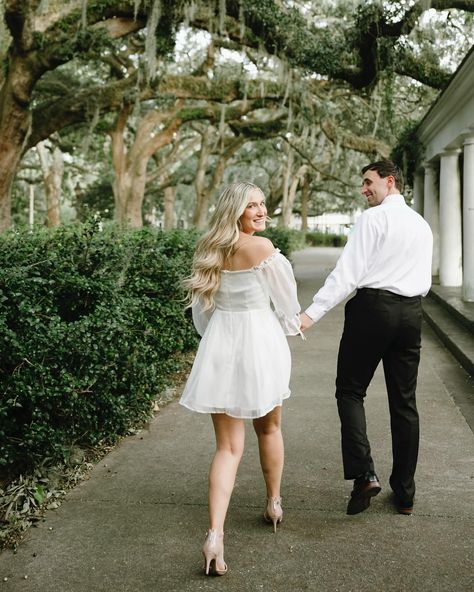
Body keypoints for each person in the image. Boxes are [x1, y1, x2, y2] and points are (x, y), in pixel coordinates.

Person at [180, 181, 303, 576]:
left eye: (263, 203)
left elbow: (202, 314)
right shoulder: (262, 250)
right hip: (259, 347)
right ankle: (273, 502)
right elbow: (287, 306)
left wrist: (216, 341)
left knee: (227, 448)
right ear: (235, 210)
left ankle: (215, 534)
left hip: (220, 345)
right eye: (253, 205)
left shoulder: (209, 250)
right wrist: (294, 323)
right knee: (269, 428)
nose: (262, 210)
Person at [300, 160, 433, 516]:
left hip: (373, 309)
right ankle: (405, 493)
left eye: (368, 182)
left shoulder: (373, 219)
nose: (364, 189)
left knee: (350, 390)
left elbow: (347, 273)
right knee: (404, 402)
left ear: (390, 182)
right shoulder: (422, 225)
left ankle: (364, 475)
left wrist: (311, 313)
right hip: (411, 314)